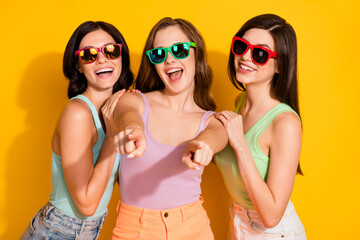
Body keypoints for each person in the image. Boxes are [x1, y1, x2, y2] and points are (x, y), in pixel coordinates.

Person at [110, 17, 228, 240]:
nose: (170, 59)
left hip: (192, 228)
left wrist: (203, 146)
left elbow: (215, 136)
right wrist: (133, 131)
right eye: (159, 54)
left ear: (197, 53)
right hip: (134, 230)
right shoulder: (135, 101)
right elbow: (127, 114)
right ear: (153, 62)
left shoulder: (211, 121)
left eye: (180, 49)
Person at [20, 21, 133, 240]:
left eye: (111, 51)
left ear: (121, 56)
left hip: (84, 232)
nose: (102, 59)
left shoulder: (114, 110)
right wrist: (112, 134)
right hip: (58, 231)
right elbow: (86, 204)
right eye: (89, 55)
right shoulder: (78, 113)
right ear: (78, 65)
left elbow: (118, 177)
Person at [214, 14, 307, 239]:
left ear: (280, 66)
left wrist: (239, 143)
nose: (245, 57)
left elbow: (271, 216)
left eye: (260, 53)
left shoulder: (285, 123)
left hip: (273, 233)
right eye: (241, 45)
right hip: (237, 224)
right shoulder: (240, 102)